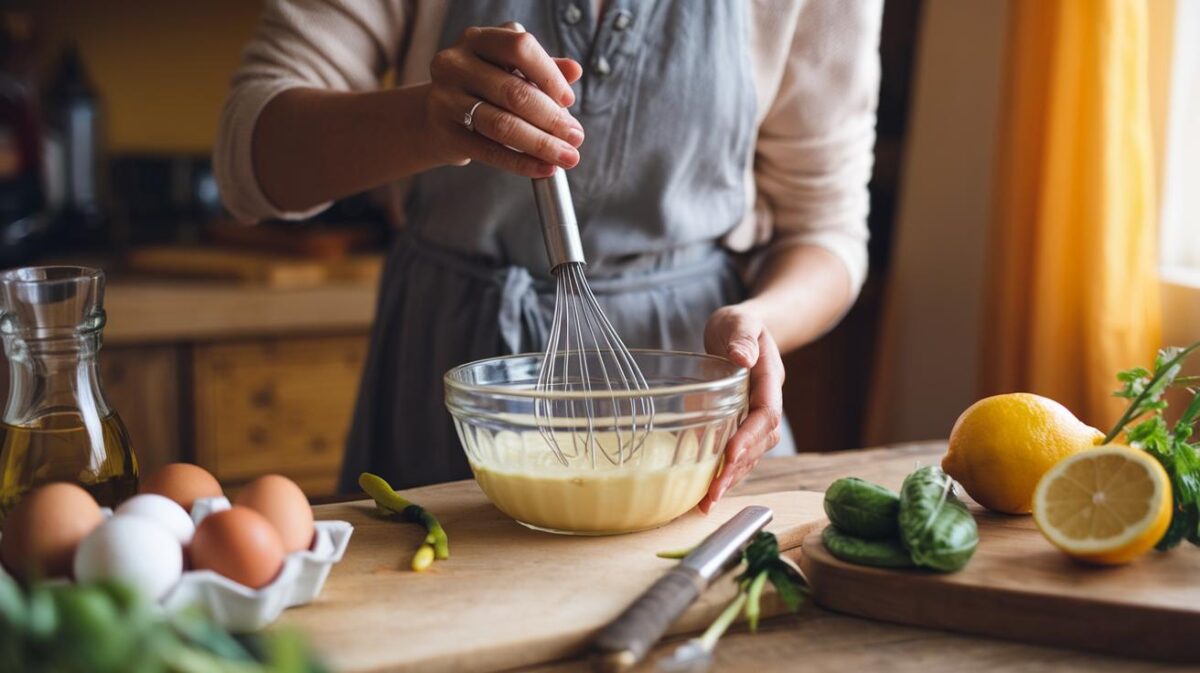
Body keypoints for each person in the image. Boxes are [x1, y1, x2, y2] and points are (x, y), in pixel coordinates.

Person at [214, 0, 881, 512]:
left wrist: (760, 321)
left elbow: (825, 228)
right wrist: (425, 120)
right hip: (450, 374)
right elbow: (249, 161)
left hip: (688, 411)